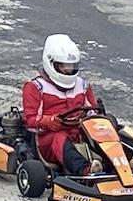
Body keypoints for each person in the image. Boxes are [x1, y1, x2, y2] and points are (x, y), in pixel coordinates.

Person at [22, 34, 104, 177]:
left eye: (72, 66)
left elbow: (93, 112)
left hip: (78, 132)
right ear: (51, 63)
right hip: (48, 139)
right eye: (64, 66)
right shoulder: (36, 87)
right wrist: (50, 121)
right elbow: (30, 121)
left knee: (105, 129)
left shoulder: (83, 85)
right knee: (58, 137)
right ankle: (85, 170)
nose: (68, 70)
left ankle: (125, 164)